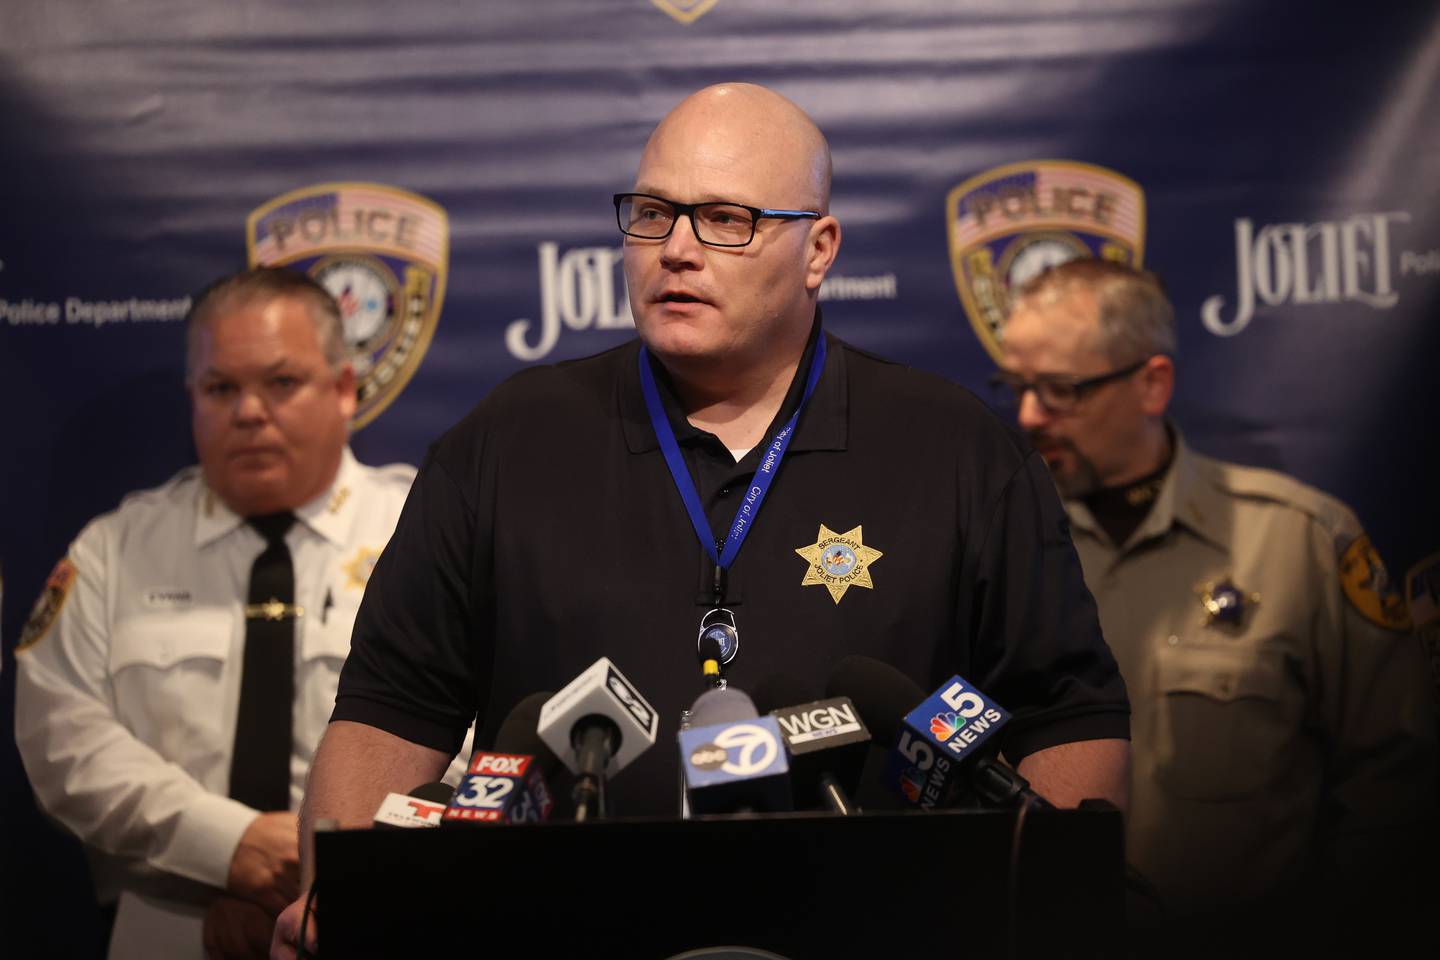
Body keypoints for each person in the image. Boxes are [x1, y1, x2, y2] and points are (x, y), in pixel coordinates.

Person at [272, 83, 1132, 955]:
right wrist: (332, 906)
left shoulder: (957, 450)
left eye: (725, 219)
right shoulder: (505, 441)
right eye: (652, 214)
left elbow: (1066, 715)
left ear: (818, 248)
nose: (676, 250)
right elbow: (389, 712)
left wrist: (1048, 912)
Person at [13, 267, 465, 960]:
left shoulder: (425, 529)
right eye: (222, 388)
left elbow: (483, 735)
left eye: (281, 384)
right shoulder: (115, 549)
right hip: (170, 925)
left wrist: (331, 870)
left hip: (383, 919)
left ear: (344, 389)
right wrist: (228, 850)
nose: (249, 411)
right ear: (192, 398)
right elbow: (61, 738)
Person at [997, 257, 1437, 946]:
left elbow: (1396, 787)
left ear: (1152, 384)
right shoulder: (1001, 541)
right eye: (1017, 386)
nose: (1029, 415)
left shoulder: (1299, 540)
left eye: (1060, 390)